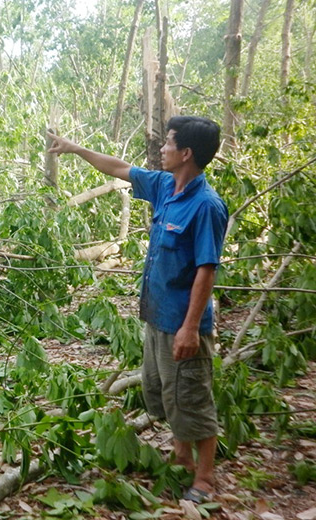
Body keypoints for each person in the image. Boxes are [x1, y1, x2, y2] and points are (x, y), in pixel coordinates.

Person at [48, 116, 228, 503]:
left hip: (182, 321)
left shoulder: (207, 206)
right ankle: (180, 458)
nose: (161, 149)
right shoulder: (165, 186)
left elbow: (206, 270)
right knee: (164, 393)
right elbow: (116, 167)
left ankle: (206, 478)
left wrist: (191, 328)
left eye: (167, 143)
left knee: (192, 398)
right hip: (156, 316)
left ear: (186, 153)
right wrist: (76, 149)